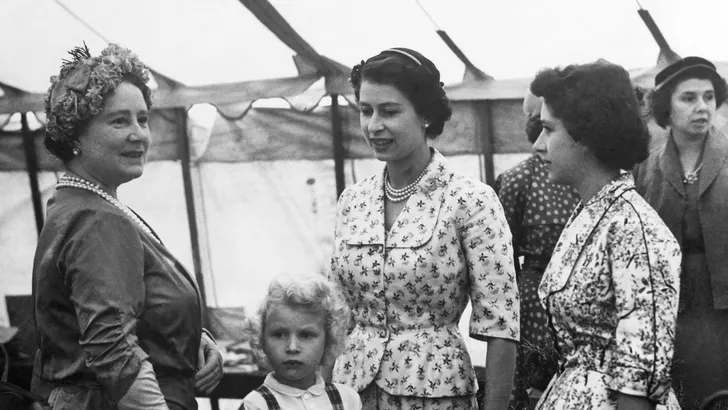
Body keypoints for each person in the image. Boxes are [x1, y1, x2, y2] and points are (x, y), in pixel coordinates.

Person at [32, 43, 223, 410]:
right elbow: (111, 348)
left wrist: (190, 340)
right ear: (76, 134)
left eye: (143, 119)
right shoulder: (97, 219)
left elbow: (113, 310)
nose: (139, 134)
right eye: (119, 121)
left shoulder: (79, 203)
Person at [327, 47, 519, 410]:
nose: (373, 125)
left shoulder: (471, 201)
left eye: (390, 111)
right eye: (365, 111)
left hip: (434, 396)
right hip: (352, 394)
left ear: (426, 116)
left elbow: (501, 327)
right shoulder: (352, 200)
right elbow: (335, 314)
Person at [529, 60, 682, 410]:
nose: (538, 145)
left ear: (586, 137)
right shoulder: (590, 213)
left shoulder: (633, 228)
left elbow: (640, 378)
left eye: (548, 130)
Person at [633, 56, 728, 409]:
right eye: (688, 98)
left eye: (708, 97)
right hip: (669, 308)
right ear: (665, 107)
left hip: (722, 308)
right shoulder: (645, 166)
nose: (702, 107)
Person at [495, 89, 579, 408]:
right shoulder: (517, 179)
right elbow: (502, 253)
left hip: (580, 288)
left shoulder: (583, 174)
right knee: (537, 384)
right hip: (534, 298)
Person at [241, 273, 361, 410]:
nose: (292, 347)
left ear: (328, 340)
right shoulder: (255, 405)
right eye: (279, 335)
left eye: (306, 335)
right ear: (262, 340)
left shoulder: (347, 400)